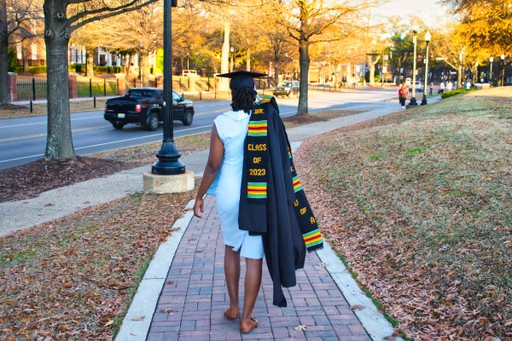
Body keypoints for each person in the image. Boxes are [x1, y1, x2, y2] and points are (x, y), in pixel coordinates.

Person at [193, 70, 323, 334]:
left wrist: (200, 195)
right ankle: (247, 318)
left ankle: (233, 307)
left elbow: (212, 165)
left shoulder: (222, 122)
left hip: (229, 194)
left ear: (231, 94)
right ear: (253, 93)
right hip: (257, 195)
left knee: (231, 248)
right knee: (254, 258)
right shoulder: (265, 118)